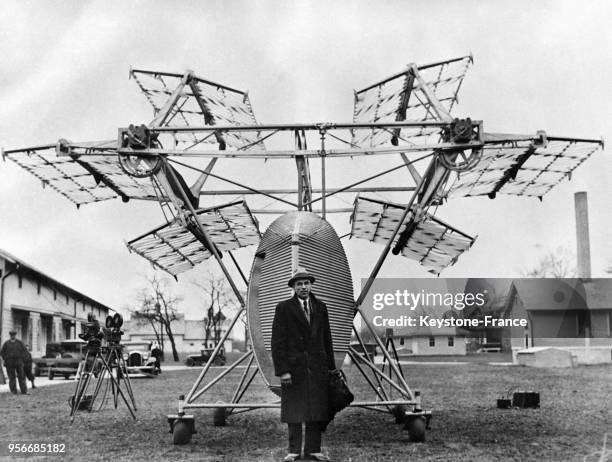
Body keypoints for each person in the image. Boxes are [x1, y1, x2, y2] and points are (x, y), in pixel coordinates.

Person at [271, 267, 335, 462]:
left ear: (311, 284)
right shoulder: (284, 308)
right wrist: (283, 371)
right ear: (293, 287)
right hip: (294, 369)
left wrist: (330, 368)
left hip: (317, 368)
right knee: (294, 410)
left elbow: (327, 339)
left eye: (306, 283)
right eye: (299, 284)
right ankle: (293, 451)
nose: (303, 287)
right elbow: (278, 342)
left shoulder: (321, 307)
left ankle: (313, 450)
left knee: (316, 409)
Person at [0, 330, 28, 394]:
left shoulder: (19, 343)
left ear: (15, 335)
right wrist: (6, 358)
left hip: (19, 361)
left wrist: (22, 358)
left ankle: (24, 391)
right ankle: (13, 391)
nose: (13, 336)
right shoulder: (6, 343)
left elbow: (24, 351)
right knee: (11, 377)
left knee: (21, 376)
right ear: (10, 335)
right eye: (11, 335)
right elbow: (2, 352)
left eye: (14, 335)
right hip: (9, 362)